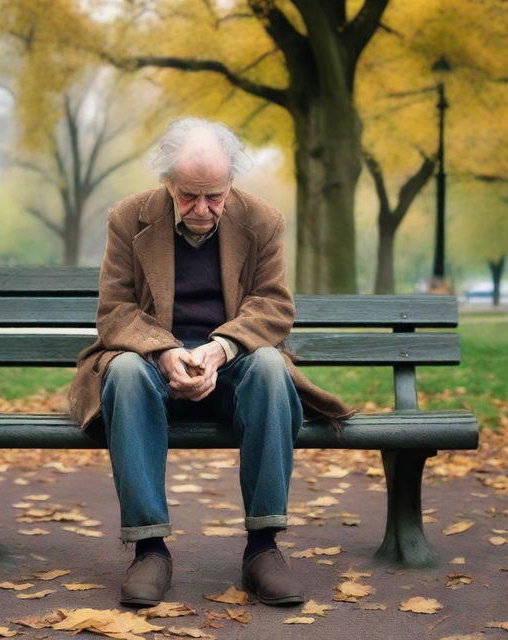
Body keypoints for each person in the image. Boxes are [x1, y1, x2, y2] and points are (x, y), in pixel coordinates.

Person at [68, 118, 354, 607]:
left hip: (233, 373)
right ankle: (150, 549)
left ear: (231, 184)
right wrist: (163, 351)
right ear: (167, 182)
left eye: (214, 196)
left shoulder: (262, 220)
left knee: (268, 367)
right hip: (153, 373)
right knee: (125, 371)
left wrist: (221, 348)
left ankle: (263, 549)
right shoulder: (127, 217)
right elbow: (115, 310)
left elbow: (273, 306)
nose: (202, 209)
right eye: (188, 196)